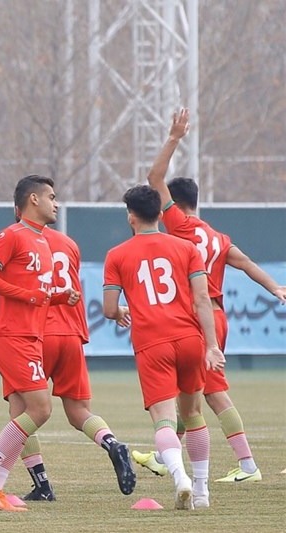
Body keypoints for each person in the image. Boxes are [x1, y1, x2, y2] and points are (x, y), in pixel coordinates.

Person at [135, 108, 286, 483]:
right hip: (216, 315)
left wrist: (174, 138)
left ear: (174, 203)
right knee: (189, 392)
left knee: (213, 393)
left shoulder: (179, 225)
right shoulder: (217, 236)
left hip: (198, 318)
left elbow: (154, 177)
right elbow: (245, 263)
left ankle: (247, 465)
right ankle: (164, 455)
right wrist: (274, 287)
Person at [103, 184, 225, 510]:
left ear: (130, 216)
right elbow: (202, 298)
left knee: (164, 419)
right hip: (189, 339)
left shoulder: (117, 255)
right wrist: (212, 345)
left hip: (151, 343)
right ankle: (201, 491)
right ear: (160, 214)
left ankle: (179, 477)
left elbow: (109, 308)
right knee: (194, 414)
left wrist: (121, 312)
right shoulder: (186, 248)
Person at [0, 175, 78, 512]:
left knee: (23, 412)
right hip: (12, 336)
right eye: (51, 197)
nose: (56, 203)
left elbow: (37, 292)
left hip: (30, 336)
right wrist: (26, 295)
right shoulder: (11, 235)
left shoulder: (42, 241)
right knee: (40, 409)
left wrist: (59, 296)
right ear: (33, 199)